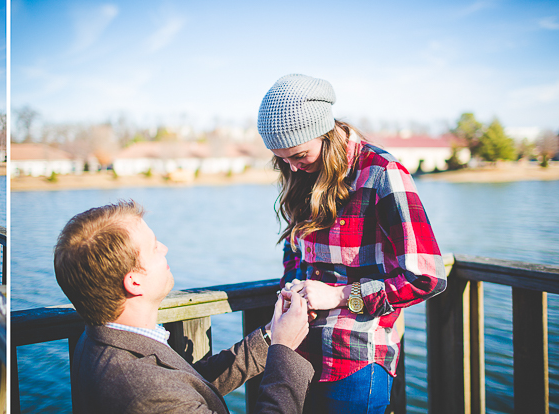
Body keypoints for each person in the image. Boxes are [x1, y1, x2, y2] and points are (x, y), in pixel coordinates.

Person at [257, 74, 447, 414]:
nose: (292, 168)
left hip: (354, 360)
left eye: (299, 154)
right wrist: (292, 291)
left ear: (324, 133)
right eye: (282, 159)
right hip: (299, 353)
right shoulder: (302, 175)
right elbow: (295, 252)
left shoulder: (382, 173)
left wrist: (341, 294)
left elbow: (427, 276)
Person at [54, 200, 314, 414]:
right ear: (134, 281)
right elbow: (166, 391)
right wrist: (284, 349)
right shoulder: (146, 395)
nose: (165, 248)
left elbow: (187, 381)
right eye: (154, 247)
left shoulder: (100, 337)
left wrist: (271, 335)